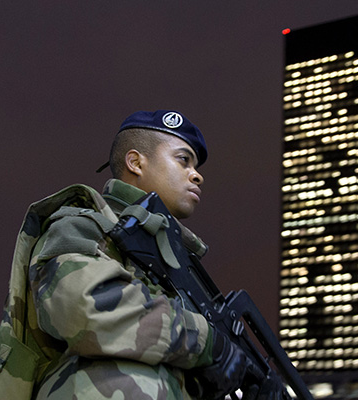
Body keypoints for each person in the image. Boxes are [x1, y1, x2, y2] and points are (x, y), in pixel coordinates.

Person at [25, 110, 249, 399]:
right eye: (183, 160)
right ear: (135, 162)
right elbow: (84, 308)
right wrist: (208, 342)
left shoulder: (178, 260)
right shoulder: (81, 225)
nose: (197, 175)